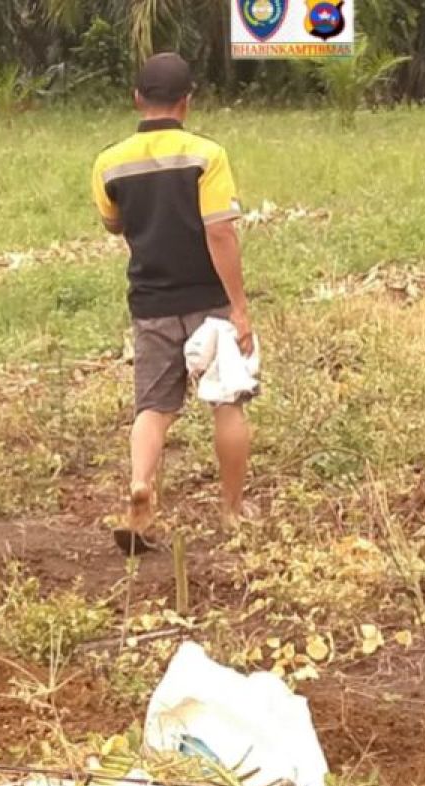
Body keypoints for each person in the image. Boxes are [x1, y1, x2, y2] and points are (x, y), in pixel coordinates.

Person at [92, 52, 254, 554]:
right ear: (188, 100)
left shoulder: (109, 162)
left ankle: (141, 487)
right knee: (226, 401)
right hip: (208, 301)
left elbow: (115, 223)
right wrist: (239, 306)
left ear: (137, 98)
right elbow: (220, 232)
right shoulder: (207, 155)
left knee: (154, 408)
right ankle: (231, 511)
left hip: (150, 302)